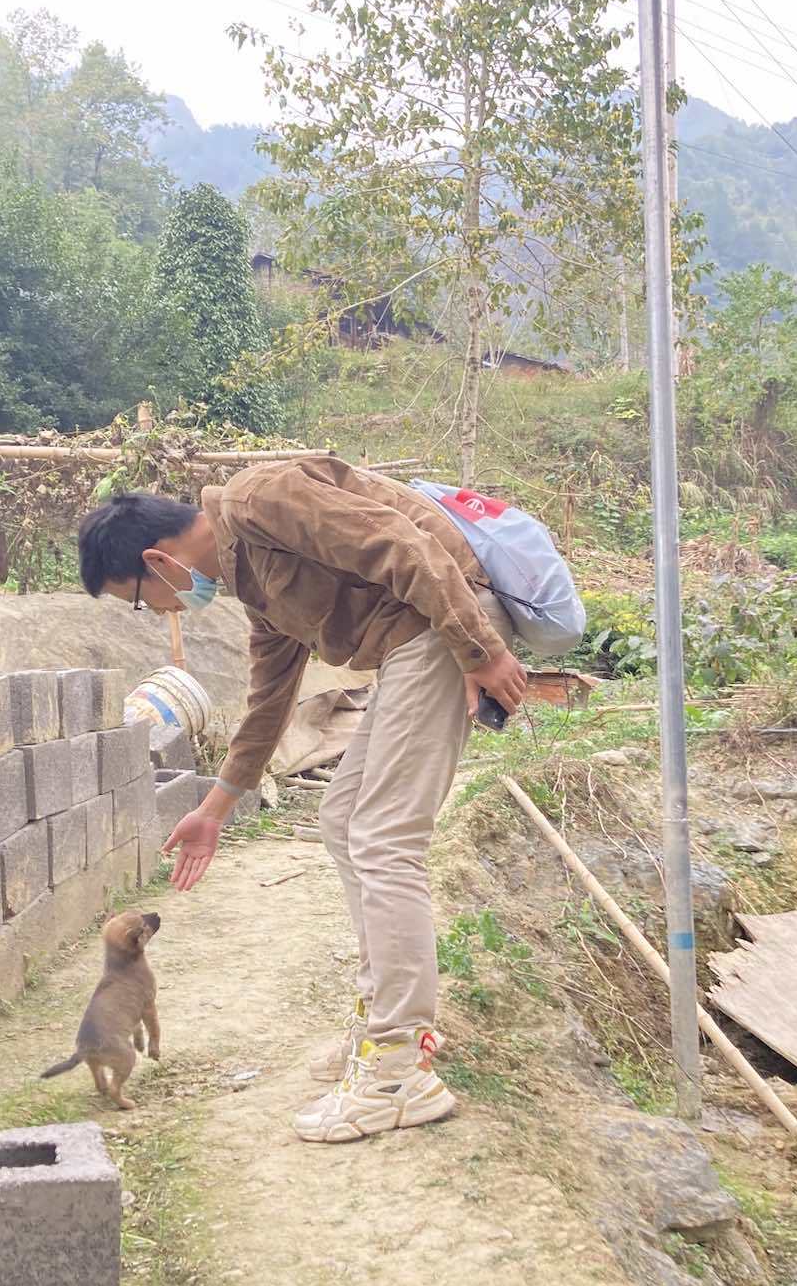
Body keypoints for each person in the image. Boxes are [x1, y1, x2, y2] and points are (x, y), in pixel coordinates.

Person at [77, 459, 528, 1143]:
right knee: (343, 818)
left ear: (157, 561)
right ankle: (380, 1025)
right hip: (417, 640)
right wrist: (215, 809)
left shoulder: (261, 500)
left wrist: (480, 651)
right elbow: (270, 698)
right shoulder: (250, 577)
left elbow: (402, 544)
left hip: (443, 624)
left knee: (384, 837)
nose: (162, 612)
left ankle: (398, 1069)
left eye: (141, 600)